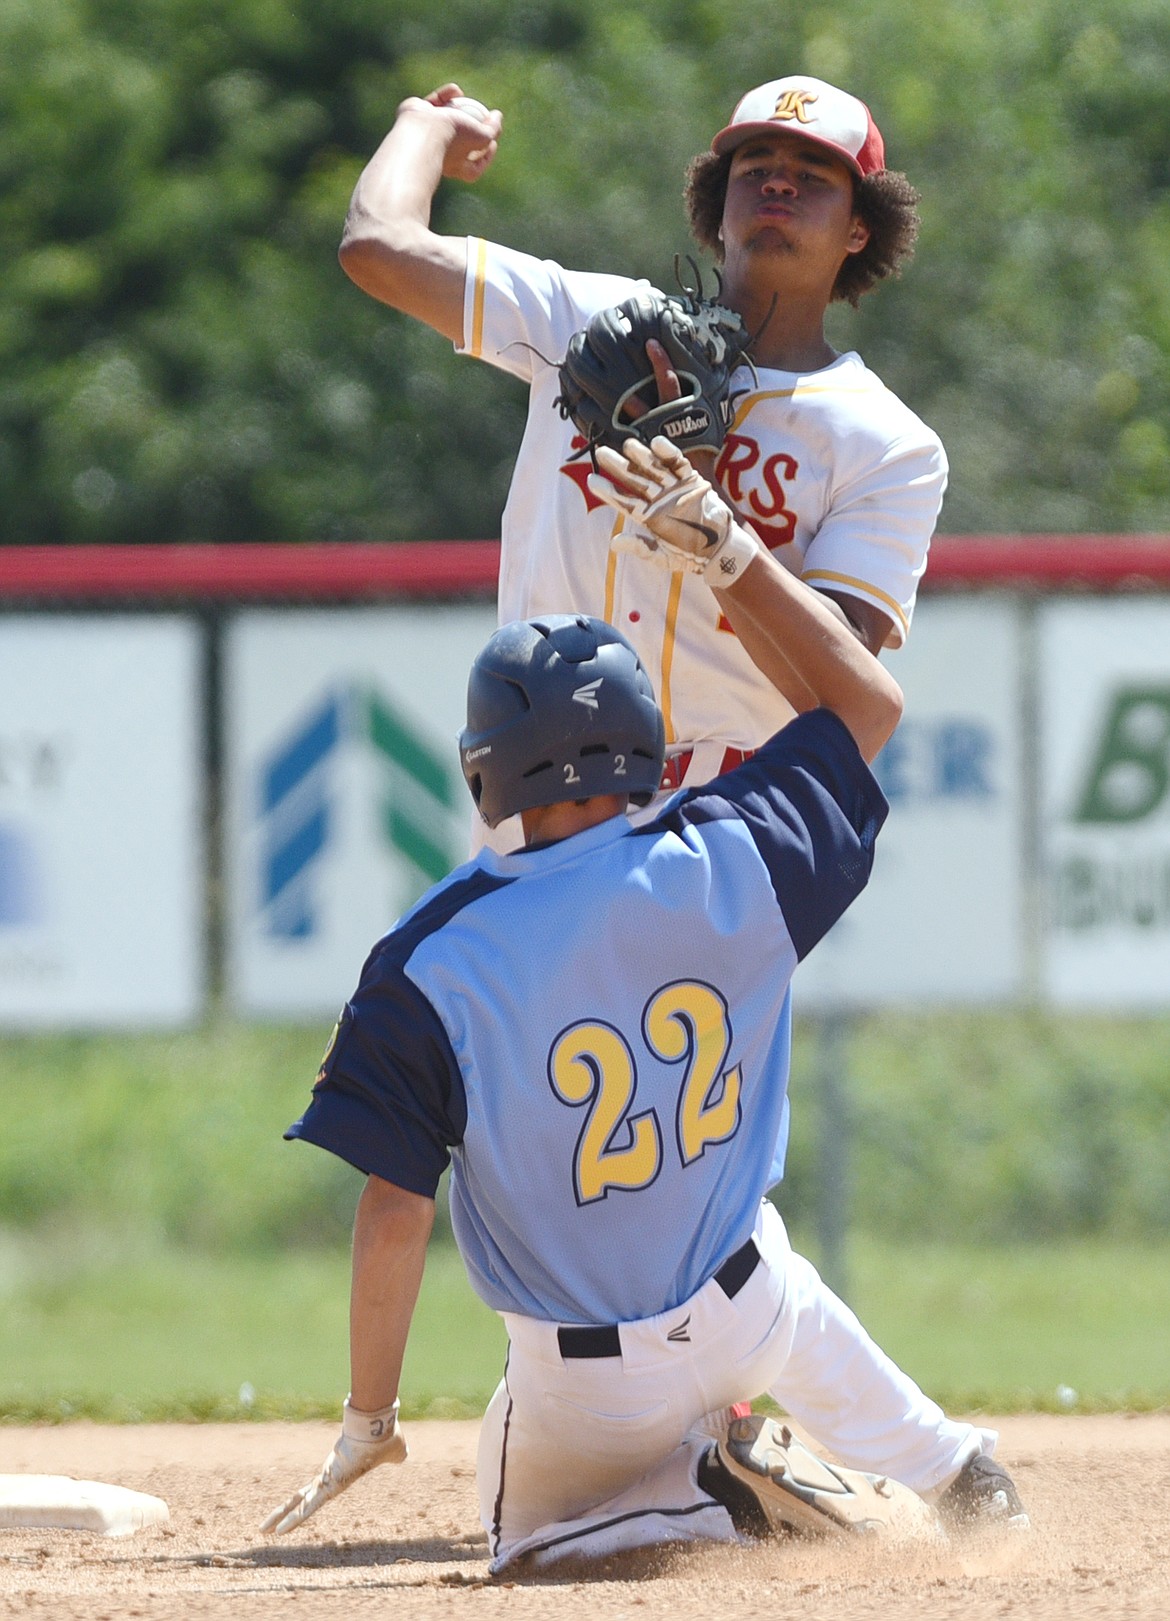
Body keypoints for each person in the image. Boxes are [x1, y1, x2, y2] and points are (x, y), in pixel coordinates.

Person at [260, 440, 1027, 1572]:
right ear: (648, 747)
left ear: (486, 771)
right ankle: (954, 1467)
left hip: (586, 1387)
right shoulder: (735, 849)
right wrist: (729, 550)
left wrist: (369, 1418)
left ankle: (701, 1498)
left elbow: (393, 1210)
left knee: (518, 1546)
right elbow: (867, 700)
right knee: (785, 1290)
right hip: (751, 1310)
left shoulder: (430, 956)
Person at [337, 73, 946, 849]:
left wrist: (720, 537)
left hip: (724, 825)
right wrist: (424, 125)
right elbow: (378, 247)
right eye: (754, 167)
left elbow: (834, 692)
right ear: (717, 206)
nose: (778, 183)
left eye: (813, 175)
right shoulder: (591, 329)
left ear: (860, 228)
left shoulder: (887, 441)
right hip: (537, 806)